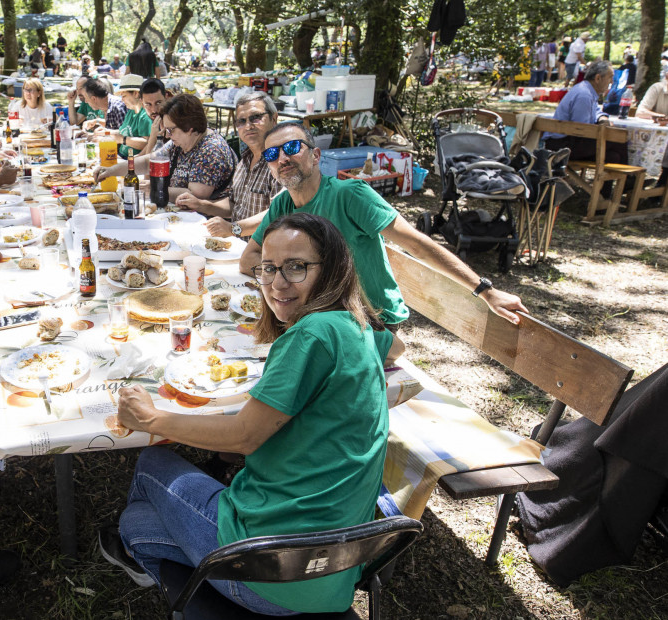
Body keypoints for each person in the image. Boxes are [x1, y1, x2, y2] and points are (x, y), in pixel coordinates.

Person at [100, 211, 402, 615]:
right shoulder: (358, 325)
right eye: (269, 268)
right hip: (337, 570)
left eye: (297, 268)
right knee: (148, 514)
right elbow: (396, 348)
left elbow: (244, 435)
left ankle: (140, 553)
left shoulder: (312, 334)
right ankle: (173, 536)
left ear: (331, 270)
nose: (278, 283)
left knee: (148, 477)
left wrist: (150, 419)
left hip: (271, 575)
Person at [239, 122, 528, 327]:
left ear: (316, 155)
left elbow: (416, 243)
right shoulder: (281, 205)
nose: (282, 158)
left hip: (370, 321)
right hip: (316, 314)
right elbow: (248, 258)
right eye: (272, 155)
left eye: (291, 147)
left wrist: (485, 291)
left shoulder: (351, 195)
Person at [175, 91, 282, 240]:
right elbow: (233, 204)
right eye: (241, 121)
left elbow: (279, 213)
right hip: (238, 246)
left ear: (274, 118)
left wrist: (233, 228)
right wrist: (201, 205)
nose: (248, 126)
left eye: (256, 118)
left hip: (264, 253)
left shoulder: (282, 160)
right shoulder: (245, 159)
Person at [97, 93, 236, 202]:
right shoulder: (183, 140)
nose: (167, 136)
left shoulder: (210, 150)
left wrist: (156, 189)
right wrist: (110, 170)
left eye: (170, 130)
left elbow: (196, 196)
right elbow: (149, 162)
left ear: (189, 128)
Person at [544, 61, 628, 196]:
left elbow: (596, 111)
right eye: (610, 77)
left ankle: (604, 197)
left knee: (614, 156)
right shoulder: (584, 94)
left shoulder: (587, 90)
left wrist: (602, 118)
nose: (612, 81)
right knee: (619, 139)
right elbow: (582, 130)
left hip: (571, 141)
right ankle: (628, 181)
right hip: (563, 145)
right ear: (598, 78)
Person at [101, 73, 152, 158]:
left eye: (124, 96)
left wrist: (122, 140)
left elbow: (148, 143)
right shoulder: (131, 111)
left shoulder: (145, 116)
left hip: (131, 161)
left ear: (136, 93)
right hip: (121, 156)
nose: (122, 99)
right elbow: (123, 132)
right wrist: (105, 132)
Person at [634, 67, 668, 187]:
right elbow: (641, 111)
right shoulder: (657, 88)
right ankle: (634, 182)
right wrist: (661, 117)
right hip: (651, 138)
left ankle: (660, 187)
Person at [137, 78, 172, 156]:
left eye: (158, 103)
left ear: (166, 97)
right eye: (148, 104)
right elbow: (140, 157)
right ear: (142, 104)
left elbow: (148, 163)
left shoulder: (173, 123)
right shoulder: (157, 124)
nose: (154, 110)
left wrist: (153, 137)